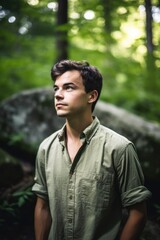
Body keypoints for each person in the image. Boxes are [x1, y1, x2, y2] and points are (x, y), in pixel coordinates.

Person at [32, 60, 151, 240]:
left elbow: (138, 213)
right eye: (56, 88)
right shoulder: (46, 148)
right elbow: (42, 207)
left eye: (68, 87)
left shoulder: (119, 148)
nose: (58, 95)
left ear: (91, 96)